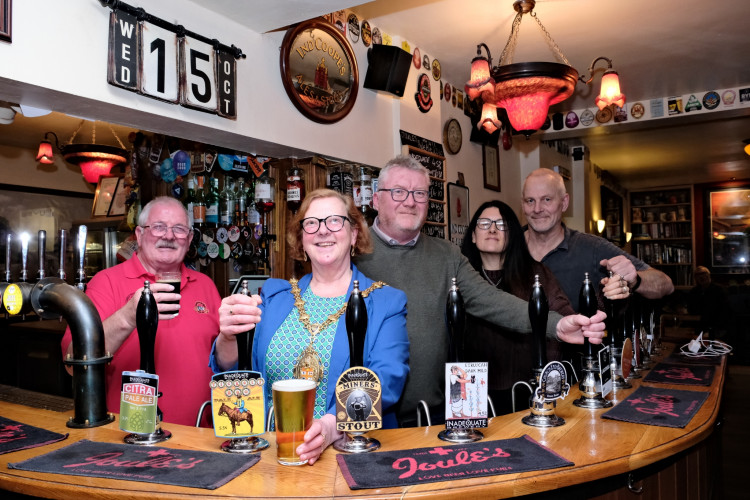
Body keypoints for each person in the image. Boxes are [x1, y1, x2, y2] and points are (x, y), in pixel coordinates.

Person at [354, 155, 607, 427]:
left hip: (433, 413)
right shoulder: (353, 253)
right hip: (367, 412)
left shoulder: (446, 255)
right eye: (398, 192)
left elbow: (491, 300)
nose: (410, 201)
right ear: (376, 199)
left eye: (419, 193)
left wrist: (556, 325)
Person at [212, 188, 409, 464]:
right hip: (270, 457)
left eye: (334, 221)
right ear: (302, 240)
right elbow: (235, 370)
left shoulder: (386, 302)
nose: (323, 231)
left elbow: (387, 379)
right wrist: (228, 337)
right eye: (312, 223)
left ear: (353, 234)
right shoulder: (274, 297)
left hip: (349, 456)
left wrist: (333, 425)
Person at [61, 197, 224, 427]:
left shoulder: (205, 285)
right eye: (158, 227)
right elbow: (72, 362)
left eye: (178, 229)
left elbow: (224, 360)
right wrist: (128, 316)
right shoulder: (106, 283)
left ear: (188, 240)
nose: (168, 236)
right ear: (139, 235)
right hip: (128, 440)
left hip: (201, 439)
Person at [461, 200, 575, 414]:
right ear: (473, 235)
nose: (492, 229)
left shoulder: (537, 274)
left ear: (513, 235)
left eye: (501, 224)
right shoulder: (458, 279)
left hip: (527, 390)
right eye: (484, 223)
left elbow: (564, 318)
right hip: (470, 393)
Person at [522, 168, 674, 312]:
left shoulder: (592, 248)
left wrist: (635, 280)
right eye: (530, 201)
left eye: (546, 199)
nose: (537, 209)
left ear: (564, 202)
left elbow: (666, 284)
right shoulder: (506, 246)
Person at [687, 266, 731, 338]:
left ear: (709, 275)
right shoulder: (694, 291)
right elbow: (691, 309)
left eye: (703, 274)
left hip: (717, 326)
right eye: (698, 275)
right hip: (700, 326)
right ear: (695, 278)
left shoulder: (719, 290)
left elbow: (724, 311)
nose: (701, 277)